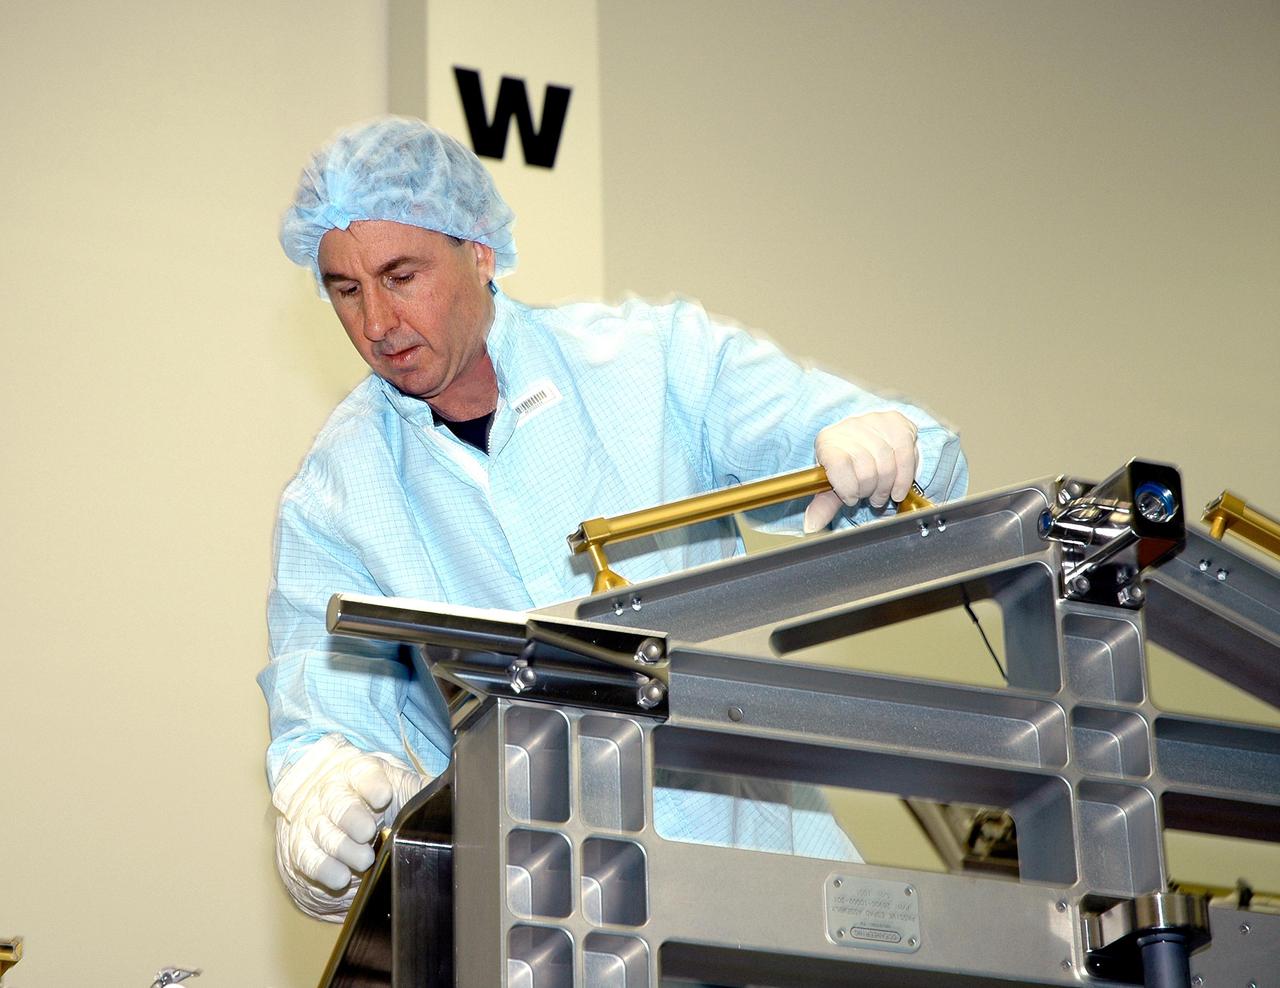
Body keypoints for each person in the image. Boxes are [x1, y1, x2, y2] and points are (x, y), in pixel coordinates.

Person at [260, 116, 968, 919]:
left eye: (401, 275)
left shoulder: (653, 363)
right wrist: (325, 808)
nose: (378, 324)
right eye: (345, 291)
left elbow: (925, 467)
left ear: (480, 252)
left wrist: (883, 450)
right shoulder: (336, 497)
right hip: (545, 933)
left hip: (768, 892)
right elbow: (323, 728)